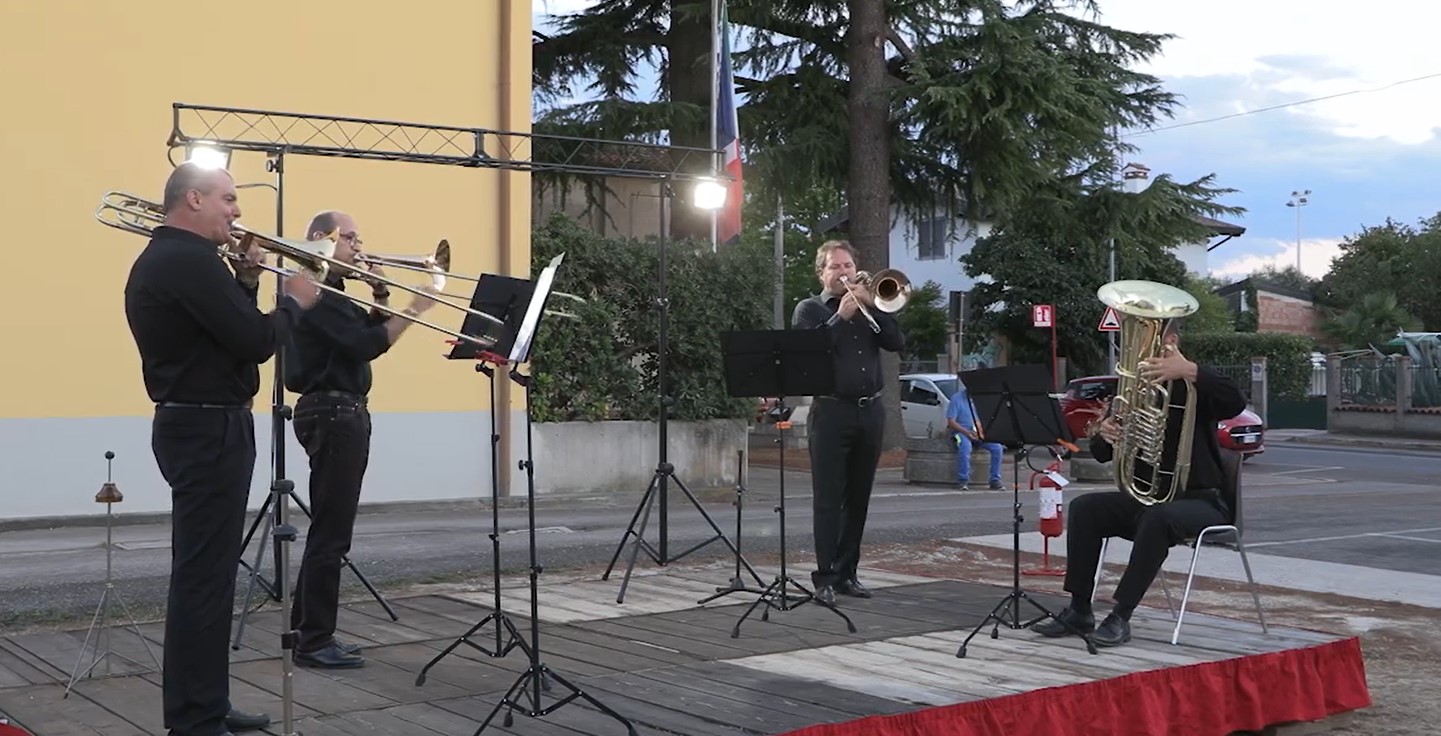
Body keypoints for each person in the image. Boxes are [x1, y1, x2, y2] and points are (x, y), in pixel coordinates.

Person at [123, 162, 321, 736]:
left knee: (207, 576)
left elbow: (223, 338)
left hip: (201, 424)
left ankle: (206, 703)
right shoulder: (186, 261)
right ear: (192, 200)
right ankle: (194, 716)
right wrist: (294, 301)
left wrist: (250, 281)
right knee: (203, 579)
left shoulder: (181, 261)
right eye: (228, 199)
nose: (237, 212)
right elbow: (256, 341)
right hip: (208, 430)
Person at [284, 210, 438, 669]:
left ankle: (307, 631)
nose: (359, 245)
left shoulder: (330, 295)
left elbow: (366, 330)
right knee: (332, 533)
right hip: (335, 412)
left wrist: (382, 290)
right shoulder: (317, 294)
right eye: (349, 237)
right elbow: (370, 344)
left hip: (336, 410)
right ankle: (314, 640)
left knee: (328, 530)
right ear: (320, 241)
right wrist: (417, 307)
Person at [1031, 319, 1246, 647]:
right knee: (1086, 508)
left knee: (1157, 518)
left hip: (1203, 502)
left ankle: (1121, 616)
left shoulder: (1195, 384)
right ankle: (1079, 609)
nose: (1141, 352)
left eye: (1150, 342)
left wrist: (1190, 370)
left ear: (1171, 340)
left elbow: (1235, 401)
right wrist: (1105, 433)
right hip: (1151, 497)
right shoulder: (1134, 388)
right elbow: (1103, 454)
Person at [791, 240, 905, 605]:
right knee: (828, 499)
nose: (844, 272)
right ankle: (824, 578)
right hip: (831, 411)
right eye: (835, 267)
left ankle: (847, 574)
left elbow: (896, 342)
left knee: (858, 499)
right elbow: (808, 350)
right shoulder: (810, 309)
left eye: (848, 265)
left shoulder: (871, 306)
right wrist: (840, 315)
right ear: (821, 273)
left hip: (870, 411)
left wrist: (875, 307)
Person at [944, 381, 1005, 490]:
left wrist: (982, 432)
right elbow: (951, 422)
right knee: (965, 447)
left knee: (997, 448)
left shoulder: (981, 400)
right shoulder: (957, 399)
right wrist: (966, 432)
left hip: (978, 432)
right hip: (961, 432)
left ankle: (995, 480)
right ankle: (963, 480)